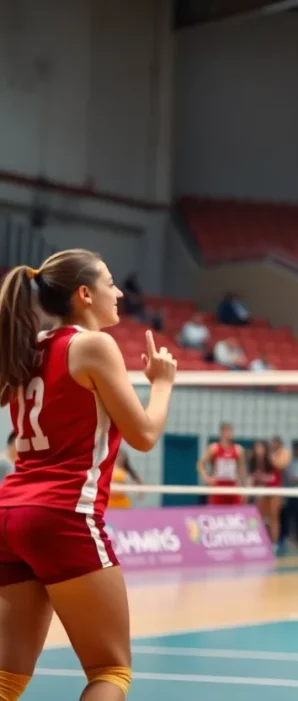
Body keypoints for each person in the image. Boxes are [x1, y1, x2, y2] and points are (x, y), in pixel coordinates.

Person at [0, 250, 176, 701]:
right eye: (110, 283)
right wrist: (162, 384)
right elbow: (144, 434)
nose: (119, 293)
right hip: (62, 515)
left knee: (6, 679)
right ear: (84, 294)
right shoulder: (92, 345)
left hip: (9, 513)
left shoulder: (28, 347)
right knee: (110, 670)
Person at [197, 422, 246, 506]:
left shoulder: (238, 450)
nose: (229, 433)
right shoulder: (214, 448)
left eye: (231, 430)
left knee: (235, 513)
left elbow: (242, 470)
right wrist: (206, 477)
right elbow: (200, 464)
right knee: (216, 513)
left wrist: (244, 488)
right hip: (218, 487)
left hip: (232, 486)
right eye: (227, 430)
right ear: (222, 432)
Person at [249, 440, 284, 547]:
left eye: (261, 448)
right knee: (259, 517)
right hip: (261, 491)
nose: (259, 451)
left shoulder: (271, 460)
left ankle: (275, 543)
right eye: (257, 448)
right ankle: (260, 540)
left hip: (273, 491)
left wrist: (261, 477)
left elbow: (274, 478)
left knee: (274, 518)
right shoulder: (253, 461)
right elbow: (252, 478)